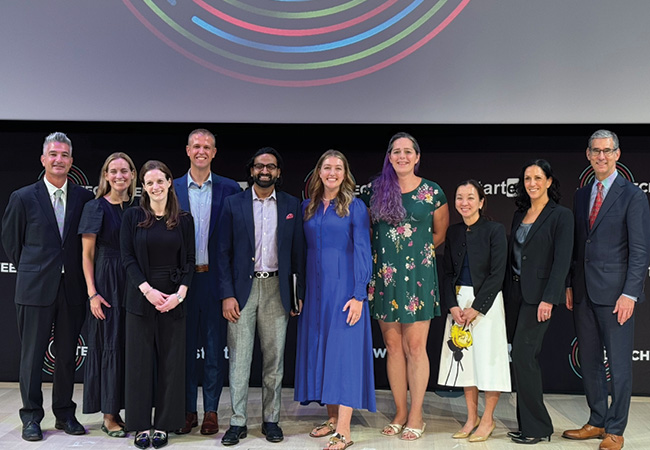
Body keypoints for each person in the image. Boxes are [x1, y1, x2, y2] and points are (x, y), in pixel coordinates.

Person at [2, 132, 93, 441]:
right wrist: (37, 269)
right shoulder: (23, 197)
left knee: (66, 355)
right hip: (34, 288)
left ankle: (65, 415)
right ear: (43, 159)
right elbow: (11, 243)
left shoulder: (84, 197)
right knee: (31, 356)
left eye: (64, 155)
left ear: (71, 161)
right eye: (53, 154)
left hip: (72, 289)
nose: (59, 159)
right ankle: (31, 417)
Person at [563, 130, 650, 450]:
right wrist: (572, 284)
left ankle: (616, 428)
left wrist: (630, 294)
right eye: (596, 151)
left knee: (619, 362)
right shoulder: (582, 195)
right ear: (588, 155)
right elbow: (578, 247)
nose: (601, 156)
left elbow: (640, 251)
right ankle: (597, 420)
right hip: (585, 292)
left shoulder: (633, 195)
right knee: (589, 360)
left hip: (616, 295)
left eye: (607, 151)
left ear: (617, 154)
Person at [216, 147, 305, 446]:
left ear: (278, 172)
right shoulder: (233, 204)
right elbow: (223, 253)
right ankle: (238, 422)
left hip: (277, 289)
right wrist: (227, 295)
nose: (264, 170)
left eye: (270, 166)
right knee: (239, 362)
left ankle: (271, 420)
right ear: (251, 170)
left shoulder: (293, 205)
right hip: (243, 291)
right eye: (259, 166)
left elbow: (298, 255)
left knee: (274, 362)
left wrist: (297, 294)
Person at [363, 132, 449, 441]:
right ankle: (400, 412)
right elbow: (368, 233)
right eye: (396, 151)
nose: (402, 156)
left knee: (415, 348)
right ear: (389, 157)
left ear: (417, 157)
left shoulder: (432, 192)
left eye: (407, 151)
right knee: (393, 348)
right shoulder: (375, 191)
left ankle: (416, 414)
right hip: (384, 277)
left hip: (418, 279)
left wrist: (414, 258)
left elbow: (439, 234)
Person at [294, 150, 375, 450]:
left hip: (344, 291)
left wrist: (359, 295)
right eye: (327, 167)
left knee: (344, 357)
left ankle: (344, 430)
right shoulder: (307, 206)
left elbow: (363, 250)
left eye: (338, 168)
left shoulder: (355, 207)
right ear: (318, 172)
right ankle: (330, 418)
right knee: (321, 353)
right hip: (315, 293)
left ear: (345, 174)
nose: (332, 172)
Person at [120, 160, 195, 449]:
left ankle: (164, 424)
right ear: (143, 187)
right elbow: (127, 257)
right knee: (139, 364)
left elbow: (190, 260)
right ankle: (139, 425)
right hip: (141, 297)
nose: (155, 187)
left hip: (175, 299)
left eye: (160, 181)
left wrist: (179, 295)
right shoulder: (133, 216)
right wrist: (147, 290)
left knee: (171, 364)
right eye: (149, 182)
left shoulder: (184, 219)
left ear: (169, 183)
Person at [173, 129, 241, 436]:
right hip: (182, 284)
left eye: (207, 147)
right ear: (187, 150)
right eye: (196, 146)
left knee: (214, 350)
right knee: (185, 350)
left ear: (214, 153)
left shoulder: (230, 189)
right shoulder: (171, 188)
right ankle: (188, 410)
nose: (201, 151)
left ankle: (211, 410)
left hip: (216, 281)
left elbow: (239, 241)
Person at [504, 159, 573, 444]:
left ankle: (537, 427)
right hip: (516, 294)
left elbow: (562, 261)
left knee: (523, 355)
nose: (532, 183)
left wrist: (549, 298)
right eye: (527, 178)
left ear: (548, 181)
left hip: (539, 297)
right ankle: (528, 424)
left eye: (537, 178)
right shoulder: (520, 213)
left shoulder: (561, 215)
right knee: (521, 360)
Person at [437, 180, 510, 442]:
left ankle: (487, 419)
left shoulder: (494, 230)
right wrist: (453, 305)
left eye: (470, 197)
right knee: (466, 364)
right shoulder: (453, 232)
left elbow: (497, 274)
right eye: (459, 198)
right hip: (458, 304)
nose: (464, 203)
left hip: (486, 304)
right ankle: (471, 418)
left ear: (481, 202)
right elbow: (446, 273)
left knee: (488, 363)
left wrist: (476, 308)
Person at [79, 152, 137, 437]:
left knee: (127, 344)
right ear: (105, 175)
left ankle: (122, 409)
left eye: (124, 171)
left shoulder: (137, 208)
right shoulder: (95, 207)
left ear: (132, 175)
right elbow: (87, 255)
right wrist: (92, 293)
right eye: (113, 171)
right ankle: (108, 414)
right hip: (107, 282)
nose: (119, 176)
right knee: (110, 344)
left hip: (132, 282)